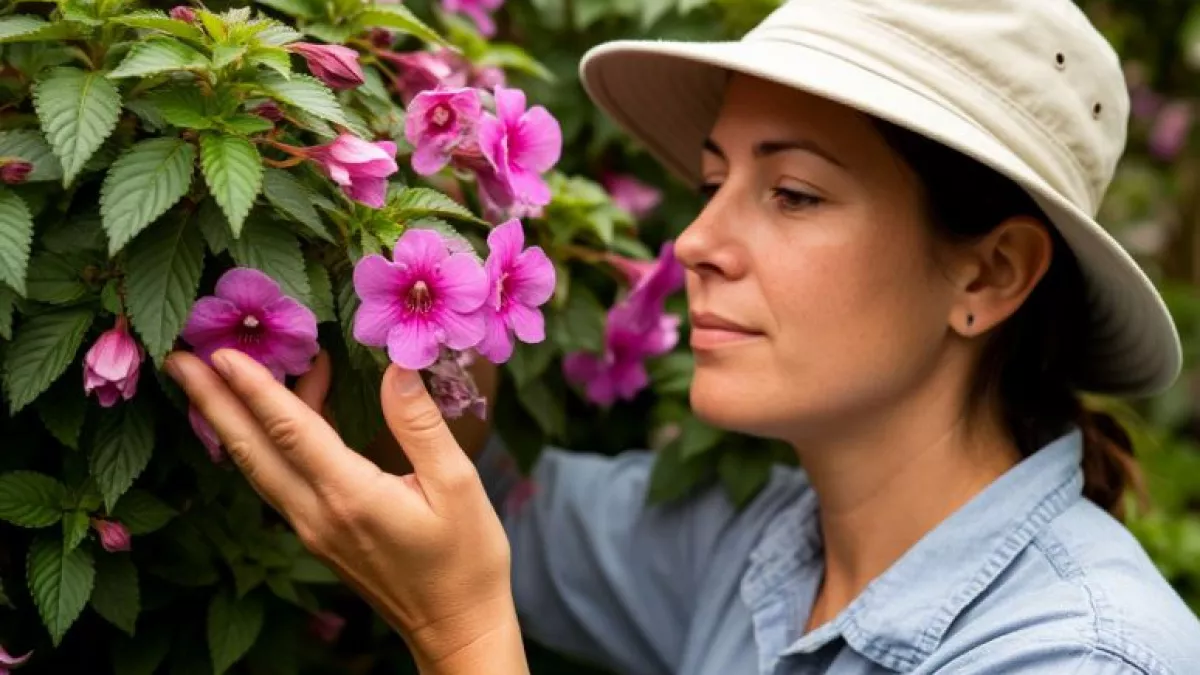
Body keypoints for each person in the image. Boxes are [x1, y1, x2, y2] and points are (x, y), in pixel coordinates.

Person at [163, 0, 1200, 673]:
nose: (697, 241)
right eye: (712, 184)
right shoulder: (757, 544)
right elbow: (490, 511)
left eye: (792, 193)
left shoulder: (1084, 655)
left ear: (988, 273)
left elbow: (467, 579)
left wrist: (463, 637)